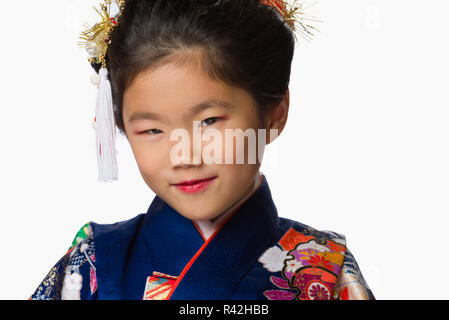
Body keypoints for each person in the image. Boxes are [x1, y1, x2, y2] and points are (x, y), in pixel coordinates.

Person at [30, 0, 374, 300]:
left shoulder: (325, 269)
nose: (185, 156)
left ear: (274, 113)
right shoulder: (96, 261)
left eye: (209, 122)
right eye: (152, 129)